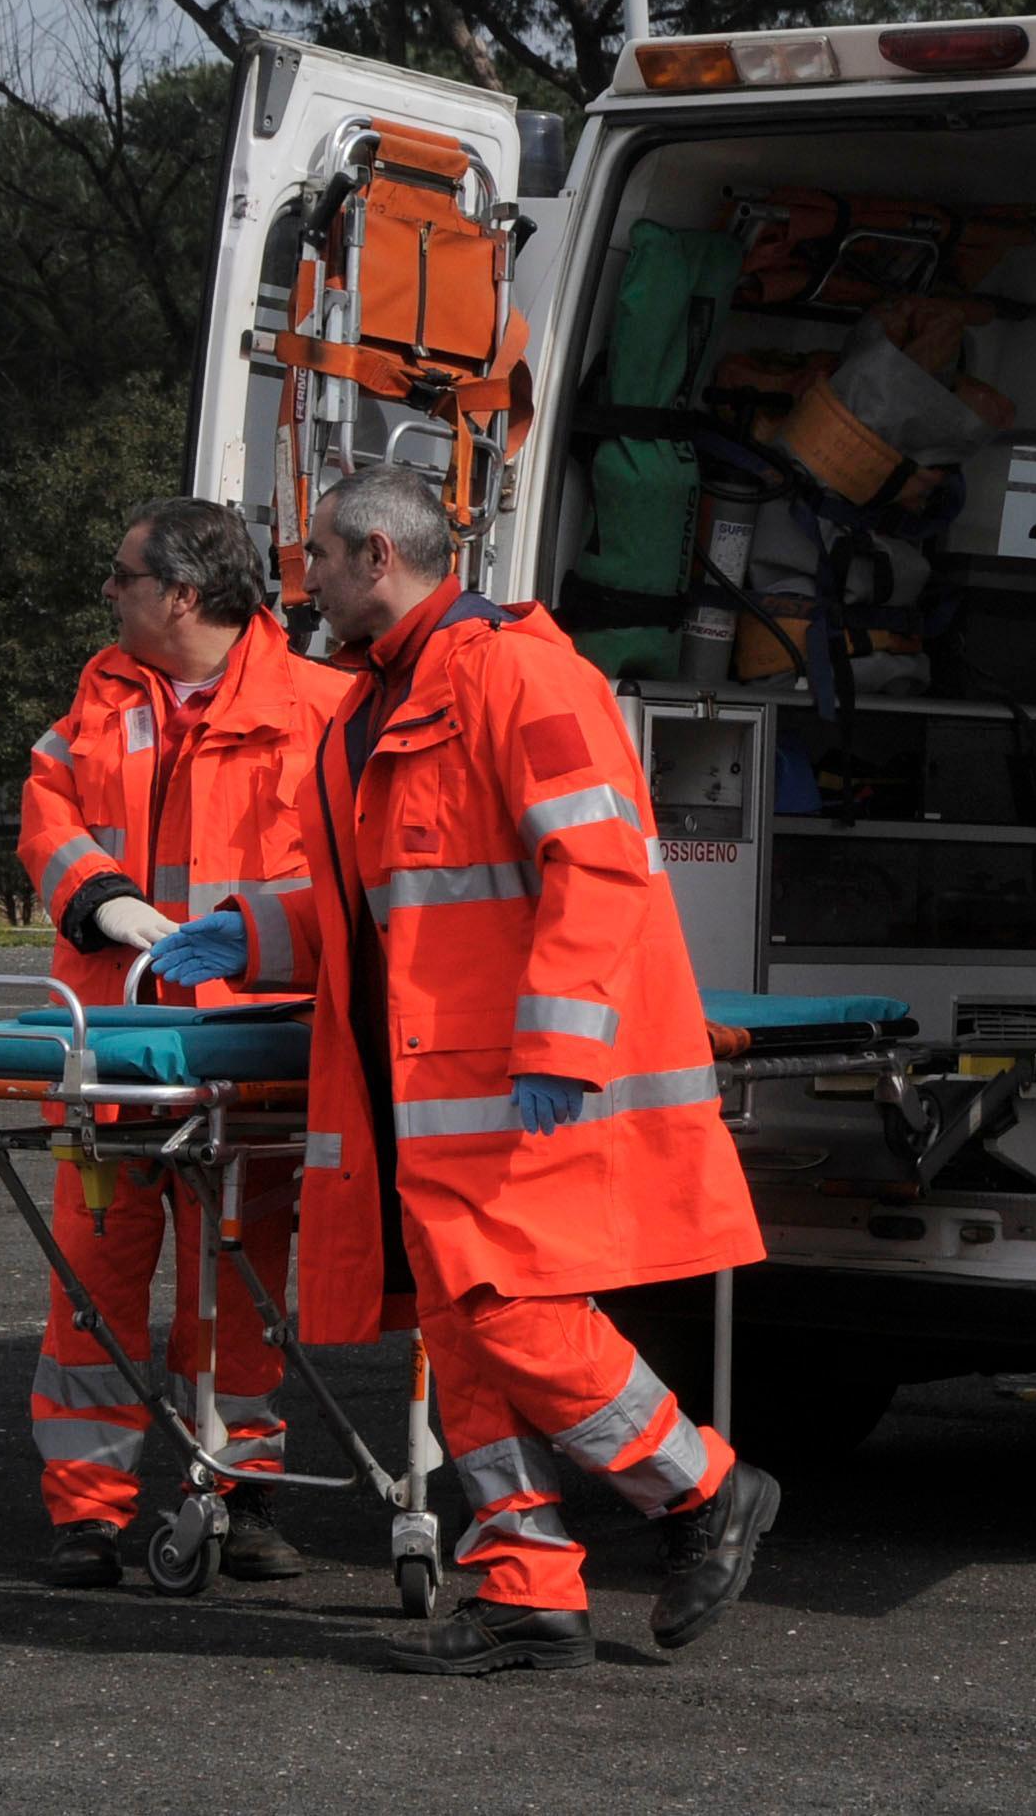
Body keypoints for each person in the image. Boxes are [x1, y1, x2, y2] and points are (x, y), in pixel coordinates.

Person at [150, 467, 774, 1674]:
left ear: (378, 555)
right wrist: (256, 928)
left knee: (510, 1315)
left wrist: (558, 1043)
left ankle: (703, 1490)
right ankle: (526, 1595)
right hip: (427, 1099)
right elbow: (376, 908)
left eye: (319, 559)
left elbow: (596, 862)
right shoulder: (372, 708)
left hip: (512, 1086)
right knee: (463, 1334)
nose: (306, 582)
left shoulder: (519, 673)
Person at [14, 497, 350, 1590]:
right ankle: (85, 1517)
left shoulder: (323, 711)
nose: (106, 591)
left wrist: (242, 941)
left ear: (185, 594)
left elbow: (350, 877)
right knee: (91, 1290)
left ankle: (239, 1493)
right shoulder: (104, 691)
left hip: (245, 1051)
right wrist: (103, 901)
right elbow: (47, 814)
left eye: (122, 575)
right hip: (109, 1047)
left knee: (238, 1292)